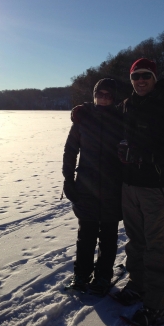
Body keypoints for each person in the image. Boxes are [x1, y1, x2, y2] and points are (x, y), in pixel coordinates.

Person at [116, 58, 164, 326]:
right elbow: (104, 117)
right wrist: (84, 111)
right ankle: (138, 283)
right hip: (129, 185)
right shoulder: (126, 105)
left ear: (154, 78)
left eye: (145, 76)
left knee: (154, 244)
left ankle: (156, 305)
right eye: (136, 76)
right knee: (135, 240)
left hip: (154, 187)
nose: (140, 81)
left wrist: (141, 154)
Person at [62, 78, 123, 296]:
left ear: (114, 98)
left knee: (108, 236)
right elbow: (70, 150)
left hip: (113, 188)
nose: (104, 98)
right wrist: (68, 178)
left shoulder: (122, 119)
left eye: (109, 95)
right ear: (94, 95)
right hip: (86, 186)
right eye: (100, 94)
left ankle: (103, 277)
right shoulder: (83, 118)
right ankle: (81, 276)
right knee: (85, 235)